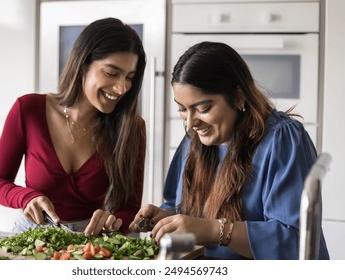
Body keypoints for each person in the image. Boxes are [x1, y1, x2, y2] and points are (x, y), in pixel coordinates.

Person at [129, 41, 330, 260]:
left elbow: (295, 243)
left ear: (238, 96)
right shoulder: (193, 141)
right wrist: (167, 217)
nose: (190, 123)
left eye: (203, 108)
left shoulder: (283, 140)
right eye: (182, 109)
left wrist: (214, 230)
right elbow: (180, 209)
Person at [0, 17, 146, 236]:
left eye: (129, 77)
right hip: (31, 236)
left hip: (92, 241)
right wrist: (26, 197)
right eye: (111, 73)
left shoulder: (131, 127)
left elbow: (130, 208)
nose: (121, 88)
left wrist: (115, 221)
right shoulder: (28, 109)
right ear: (82, 65)